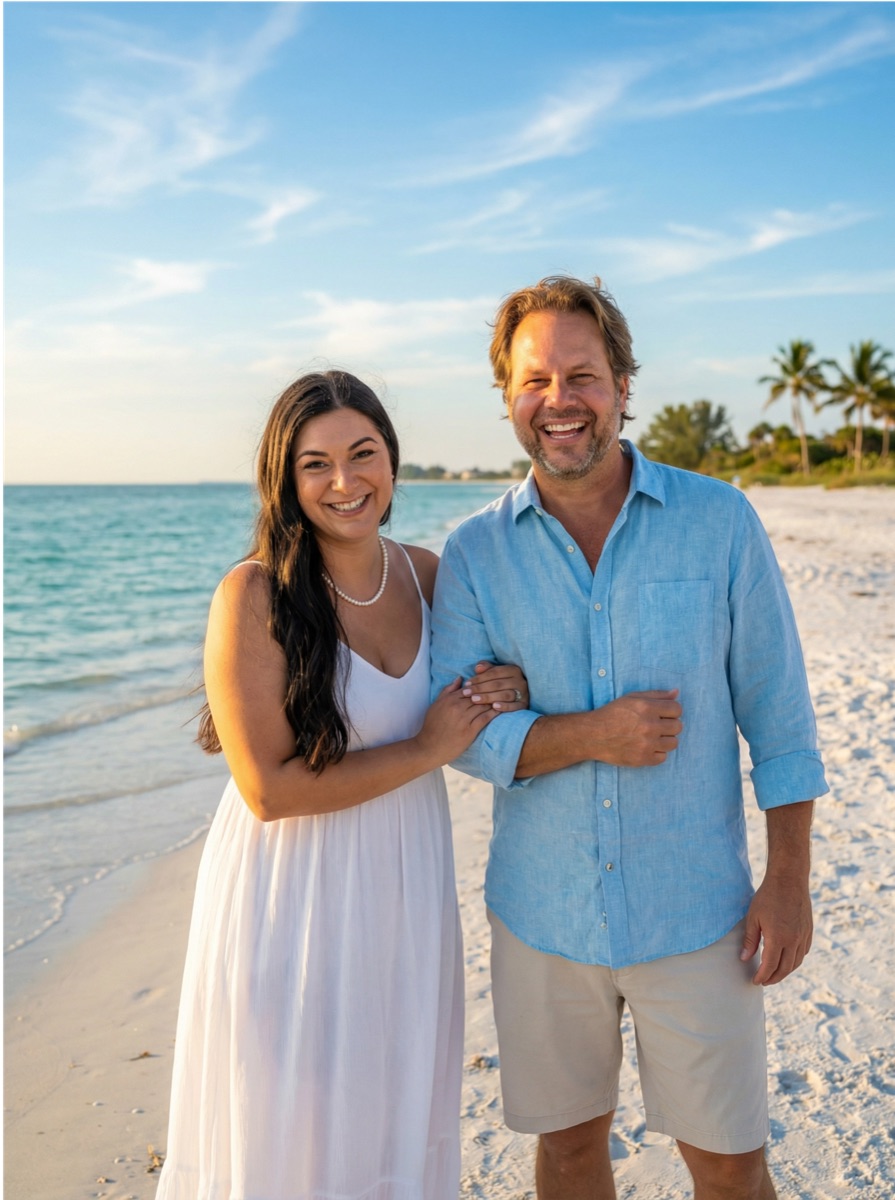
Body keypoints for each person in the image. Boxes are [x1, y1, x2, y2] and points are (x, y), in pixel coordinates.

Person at [430, 276, 829, 1200]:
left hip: (697, 915)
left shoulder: (718, 520)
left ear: (620, 384)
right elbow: (460, 737)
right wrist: (590, 732)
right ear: (506, 398)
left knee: (729, 1166)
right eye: (534, 381)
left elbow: (779, 715)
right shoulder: (474, 554)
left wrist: (789, 878)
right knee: (568, 1152)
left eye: (582, 375)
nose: (558, 402)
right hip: (543, 919)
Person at [154, 370, 528, 1200]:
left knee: (388, 1108)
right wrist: (430, 746)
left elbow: (498, 674)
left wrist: (510, 689)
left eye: (363, 455)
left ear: (393, 462)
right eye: (315, 464)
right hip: (290, 892)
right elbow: (269, 791)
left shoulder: (430, 575)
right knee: (291, 1125)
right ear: (284, 481)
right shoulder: (253, 594)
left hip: (402, 883)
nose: (344, 481)